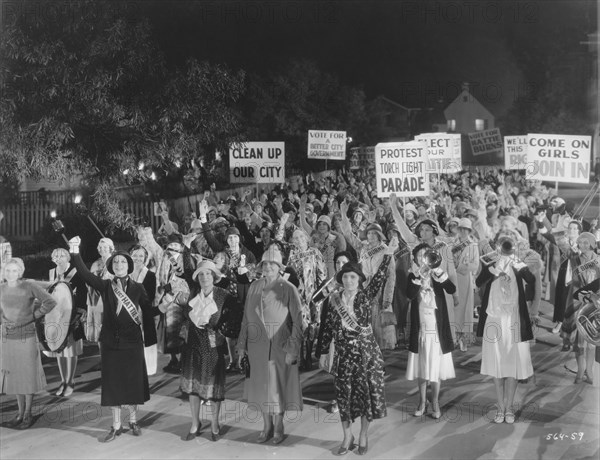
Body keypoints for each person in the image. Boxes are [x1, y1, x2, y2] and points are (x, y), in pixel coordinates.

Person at [317, 237, 398, 456]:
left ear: (359, 279)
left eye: (353, 276)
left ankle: (362, 434)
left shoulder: (365, 296)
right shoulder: (333, 300)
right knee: (344, 395)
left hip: (365, 353)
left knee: (365, 396)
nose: (349, 280)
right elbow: (327, 328)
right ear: (340, 279)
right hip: (344, 354)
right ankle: (347, 436)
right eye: (345, 276)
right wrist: (324, 351)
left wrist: (388, 254)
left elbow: (381, 277)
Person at [68, 237, 152, 442]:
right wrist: (74, 251)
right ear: (112, 267)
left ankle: (133, 420)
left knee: (132, 382)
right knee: (113, 384)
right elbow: (85, 275)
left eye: (123, 262)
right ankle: (116, 425)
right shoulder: (105, 285)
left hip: (132, 341)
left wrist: (150, 337)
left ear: (129, 266)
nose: (119, 265)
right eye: (116, 262)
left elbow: (149, 313)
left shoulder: (138, 288)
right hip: (110, 341)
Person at [237, 245, 303, 445]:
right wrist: (241, 346)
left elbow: (298, 321)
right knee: (261, 387)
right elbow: (246, 318)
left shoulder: (288, 288)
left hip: (280, 346)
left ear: (279, 267)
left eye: (272, 264)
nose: (267, 267)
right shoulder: (254, 286)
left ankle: (279, 426)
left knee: (277, 388)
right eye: (264, 264)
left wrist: (293, 348)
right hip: (257, 348)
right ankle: (266, 426)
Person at [476, 236, 535, 424]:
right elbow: (478, 281)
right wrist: (494, 270)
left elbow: (531, 280)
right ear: (498, 247)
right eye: (503, 246)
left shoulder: (518, 263)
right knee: (497, 362)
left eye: (509, 246)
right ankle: (500, 406)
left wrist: (518, 264)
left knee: (512, 362)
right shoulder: (491, 264)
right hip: (494, 317)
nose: (506, 249)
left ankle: (509, 407)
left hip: (514, 318)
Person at [180, 260, 238, 441]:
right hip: (193, 346)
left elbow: (235, 318)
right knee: (193, 388)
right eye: (201, 274)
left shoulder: (224, 295)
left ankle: (214, 424)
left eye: (208, 273)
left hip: (213, 348)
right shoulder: (192, 294)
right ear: (197, 278)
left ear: (214, 276)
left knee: (213, 390)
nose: (205, 277)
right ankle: (195, 423)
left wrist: (222, 331)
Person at [0, 258, 57, 429]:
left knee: (27, 375)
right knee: (15, 376)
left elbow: (50, 302)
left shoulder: (29, 286)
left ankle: (28, 414)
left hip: (27, 336)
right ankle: (19, 413)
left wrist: (33, 317)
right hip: (7, 337)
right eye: (7, 270)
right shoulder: (1, 288)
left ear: (20, 272)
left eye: (14, 270)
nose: (10, 273)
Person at [406, 245, 456, 419]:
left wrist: (440, 274)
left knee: (435, 365)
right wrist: (419, 277)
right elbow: (409, 295)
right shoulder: (413, 276)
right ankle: (421, 401)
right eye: (419, 256)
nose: (423, 259)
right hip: (420, 325)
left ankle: (434, 401)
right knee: (422, 366)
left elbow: (451, 289)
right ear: (415, 259)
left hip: (436, 327)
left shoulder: (437, 274)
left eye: (425, 255)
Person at [44, 248, 88, 397]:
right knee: (58, 350)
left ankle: (70, 381)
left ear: (68, 257)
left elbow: (83, 292)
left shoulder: (76, 272)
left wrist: (81, 311)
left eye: (62, 255)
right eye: (55, 255)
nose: (59, 258)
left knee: (71, 350)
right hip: (55, 316)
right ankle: (63, 381)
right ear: (52, 259)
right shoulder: (51, 272)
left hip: (72, 315)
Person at [561, 232, 600, 383]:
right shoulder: (574, 259)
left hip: (594, 303)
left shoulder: (598, 260)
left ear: (592, 244)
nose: (582, 245)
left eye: (586, 242)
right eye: (580, 242)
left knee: (591, 341)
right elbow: (561, 244)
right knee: (578, 341)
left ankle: (589, 371)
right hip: (577, 302)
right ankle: (580, 370)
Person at [129, 244, 159, 376]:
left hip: (144, 313)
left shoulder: (150, 275)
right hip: (126, 315)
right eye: (135, 255)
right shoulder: (124, 273)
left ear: (145, 258)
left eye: (141, 256)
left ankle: (147, 372)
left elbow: (150, 298)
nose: (137, 258)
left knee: (146, 343)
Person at [86, 237, 115, 345]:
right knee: (98, 330)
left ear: (110, 248)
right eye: (100, 247)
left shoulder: (115, 262)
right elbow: (89, 281)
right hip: (95, 298)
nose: (102, 249)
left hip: (110, 298)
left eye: (105, 247)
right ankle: (102, 354)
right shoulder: (95, 264)